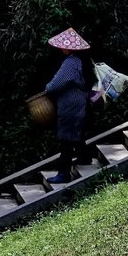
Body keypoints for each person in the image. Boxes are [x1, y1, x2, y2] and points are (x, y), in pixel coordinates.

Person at [43, 28, 94, 184]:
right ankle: (85, 157)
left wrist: (47, 88)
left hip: (71, 106)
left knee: (66, 139)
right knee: (76, 133)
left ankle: (63, 173)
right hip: (80, 103)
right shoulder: (84, 60)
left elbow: (55, 85)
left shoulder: (71, 63)